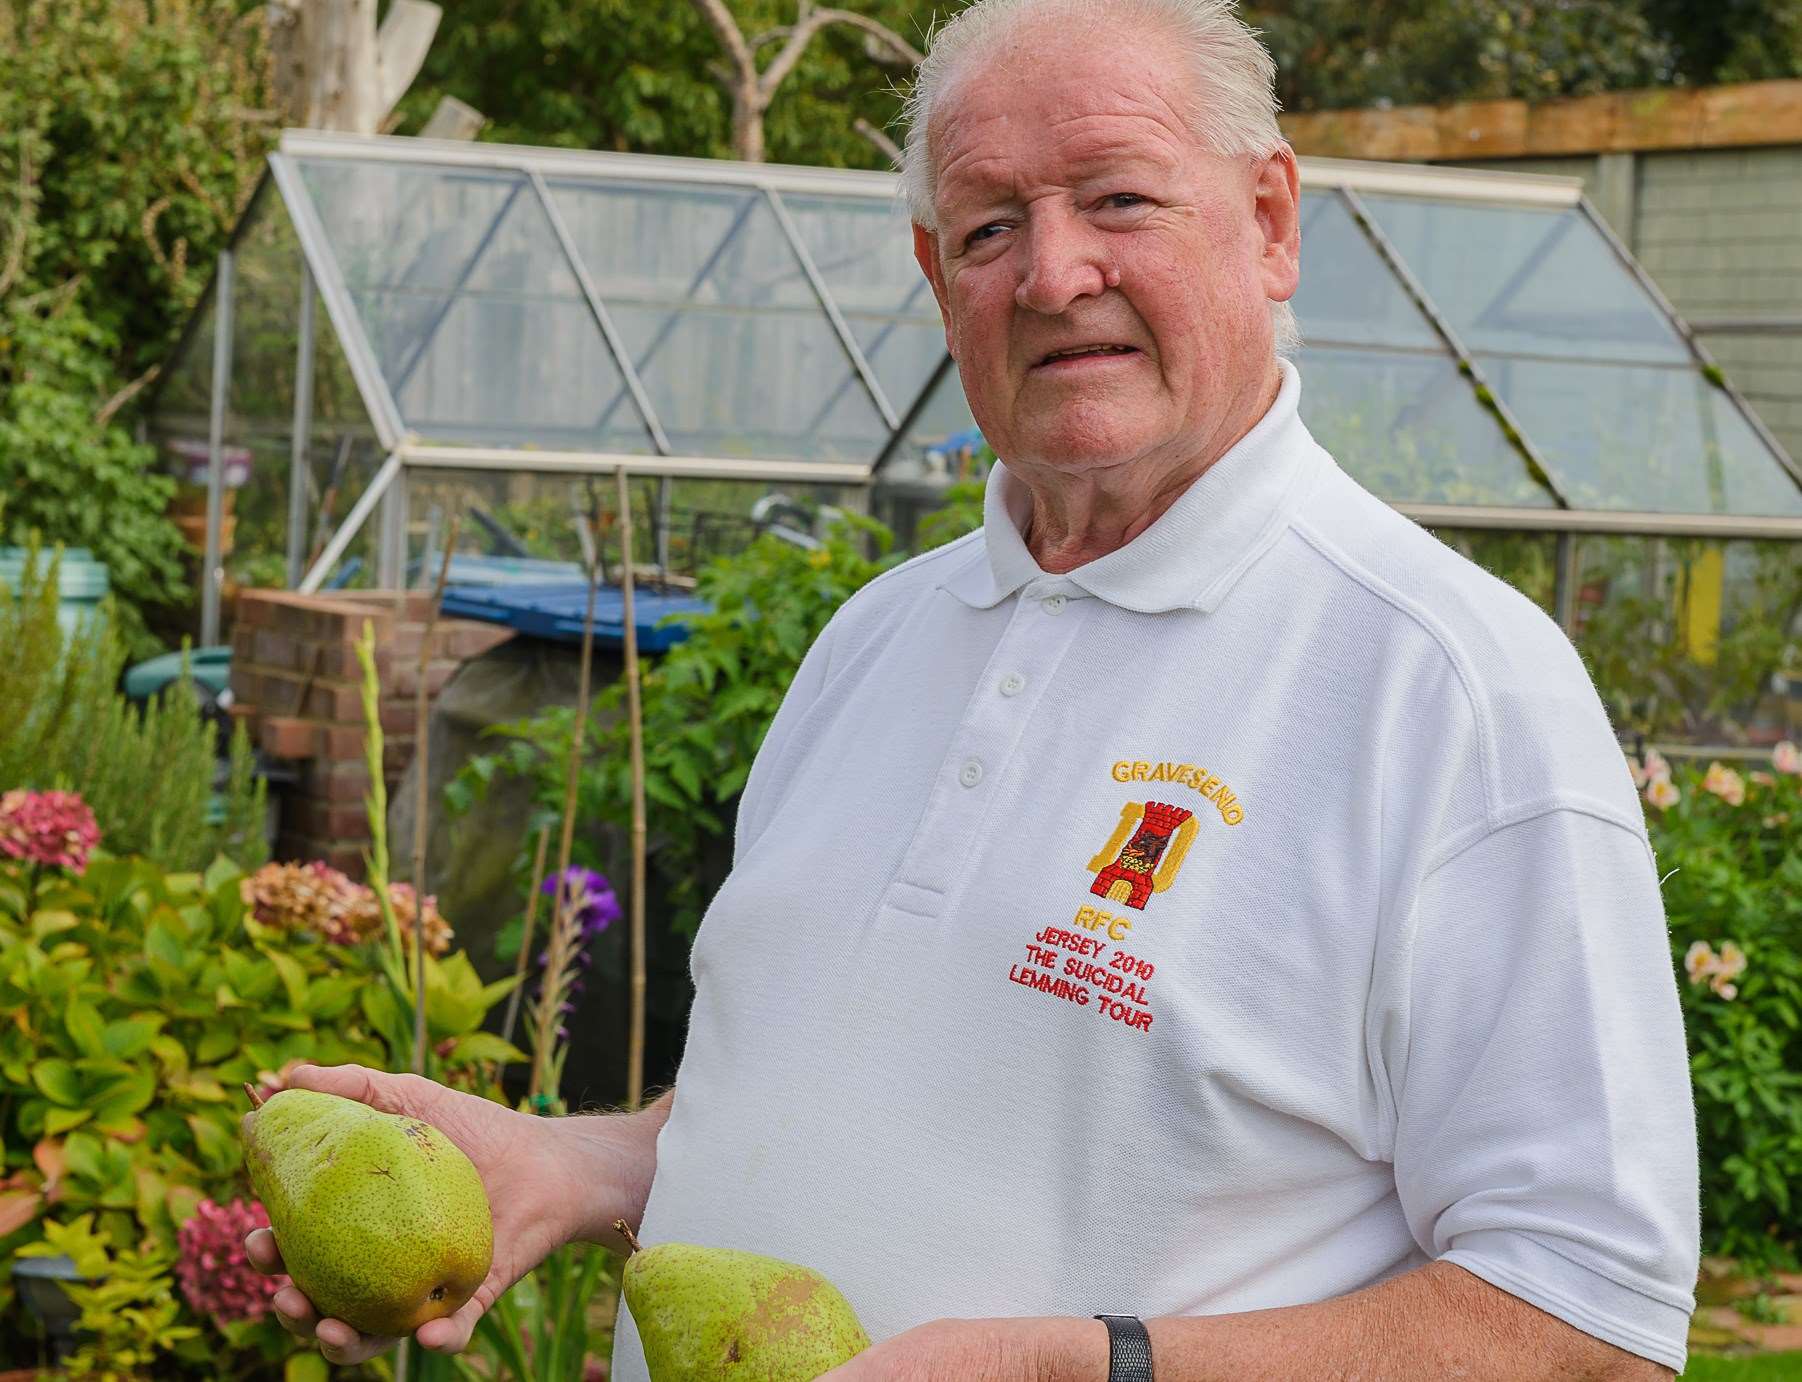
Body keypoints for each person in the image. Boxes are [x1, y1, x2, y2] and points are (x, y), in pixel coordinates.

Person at [249, 0, 1700, 1376]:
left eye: (1117, 198)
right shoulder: (873, 640)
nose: (1053, 273)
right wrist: (582, 1162)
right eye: (991, 226)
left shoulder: (1447, 689)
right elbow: (823, 1098)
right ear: (940, 282)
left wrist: (1094, 1363)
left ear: (1267, 222)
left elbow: (1584, 1310)